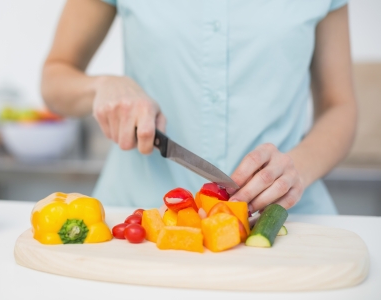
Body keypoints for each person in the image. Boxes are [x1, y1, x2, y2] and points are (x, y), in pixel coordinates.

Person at [41, 0, 356, 215]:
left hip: (285, 218)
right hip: (137, 215)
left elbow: (339, 106)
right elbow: (54, 79)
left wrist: (297, 167)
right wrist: (100, 85)